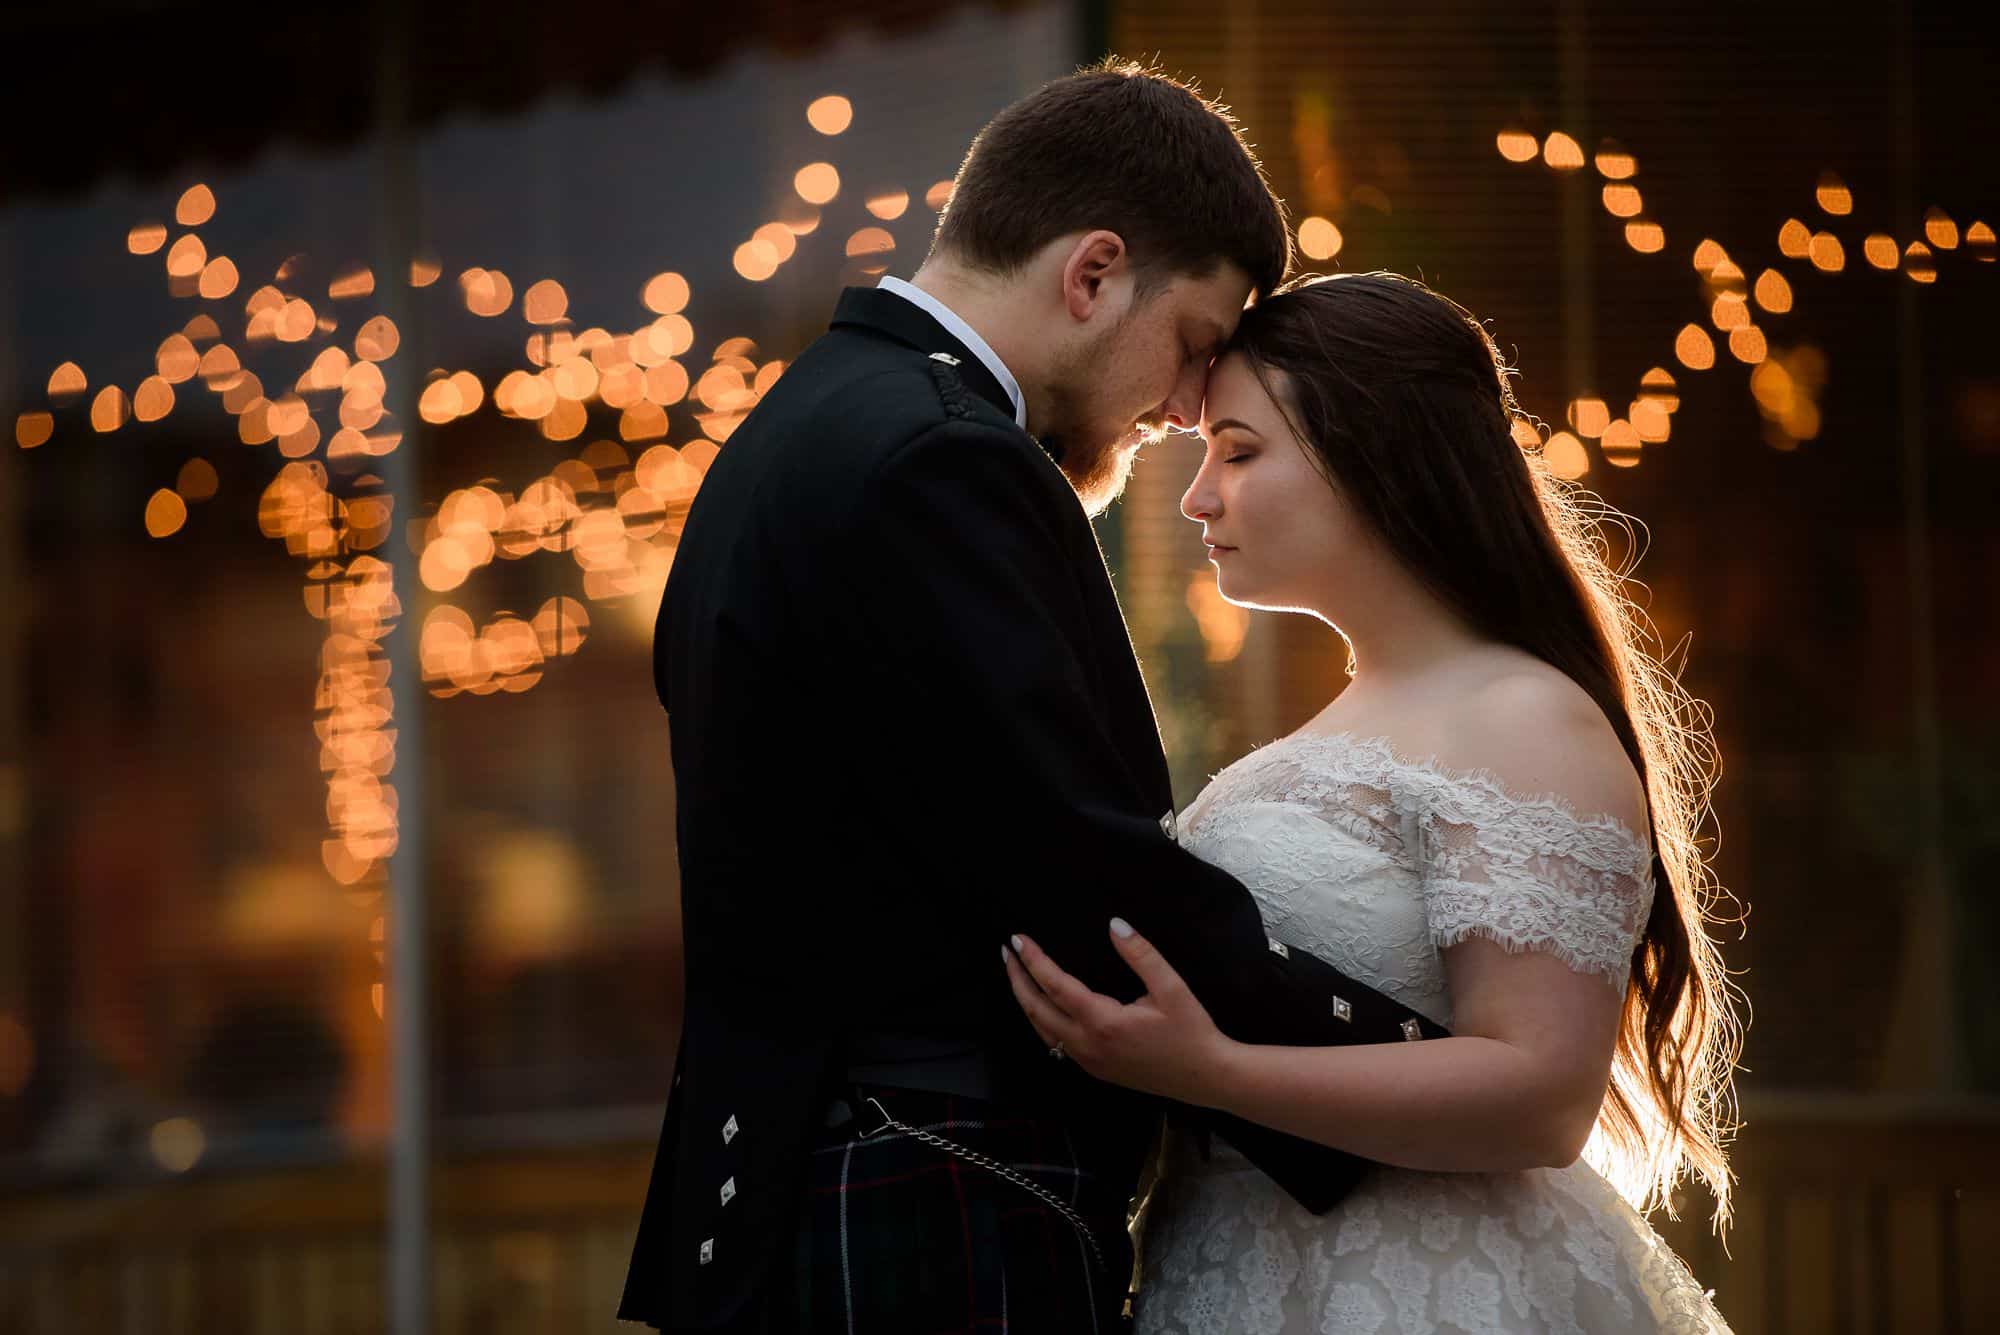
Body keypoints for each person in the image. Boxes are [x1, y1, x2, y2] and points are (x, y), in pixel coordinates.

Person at [617, 65, 1453, 1334]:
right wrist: (1421, 1078)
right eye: (1194, 344)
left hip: (808, 1176)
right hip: (936, 1181)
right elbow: (1070, 863)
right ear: (1092, 274)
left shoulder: (793, 431)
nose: (1184, 406)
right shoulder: (944, 455)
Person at [1004, 272, 1745, 1334]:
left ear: (1374, 455)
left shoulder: (1519, 716)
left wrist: (1214, 1071)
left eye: (1238, 452)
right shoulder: (1344, 721)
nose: (1197, 497)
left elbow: (1542, 1096)